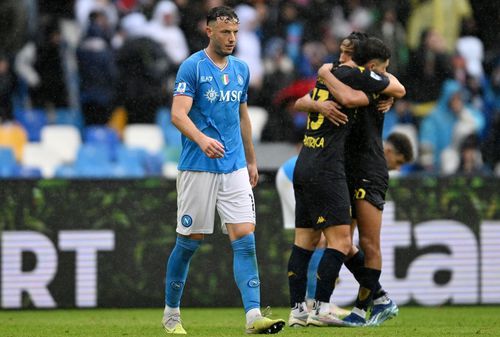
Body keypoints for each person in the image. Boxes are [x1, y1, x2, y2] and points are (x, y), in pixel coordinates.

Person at [162, 6, 285, 335]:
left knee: (245, 238)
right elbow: (177, 114)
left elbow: (242, 117)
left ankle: (253, 316)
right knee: (189, 242)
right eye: (225, 32)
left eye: (235, 32)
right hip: (198, 168)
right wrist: (202, 139)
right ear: (209, 31)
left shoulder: (241, 69)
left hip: (233, 168)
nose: (231, 38)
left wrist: (251, 159)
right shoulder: (193, 67)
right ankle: (171, 316)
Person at [287, 32, 405, 328]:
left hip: (368, 167)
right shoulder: (351, 76)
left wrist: (325, 74)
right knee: (343, 242)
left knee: (366, 242)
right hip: (340, 167)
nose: (339, 56)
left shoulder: (366, 78)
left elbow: (397, 88)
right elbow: (303, 101)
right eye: (382, 68)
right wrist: (320, 100)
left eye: (345, 51)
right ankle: (378, 298)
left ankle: (363, 307)